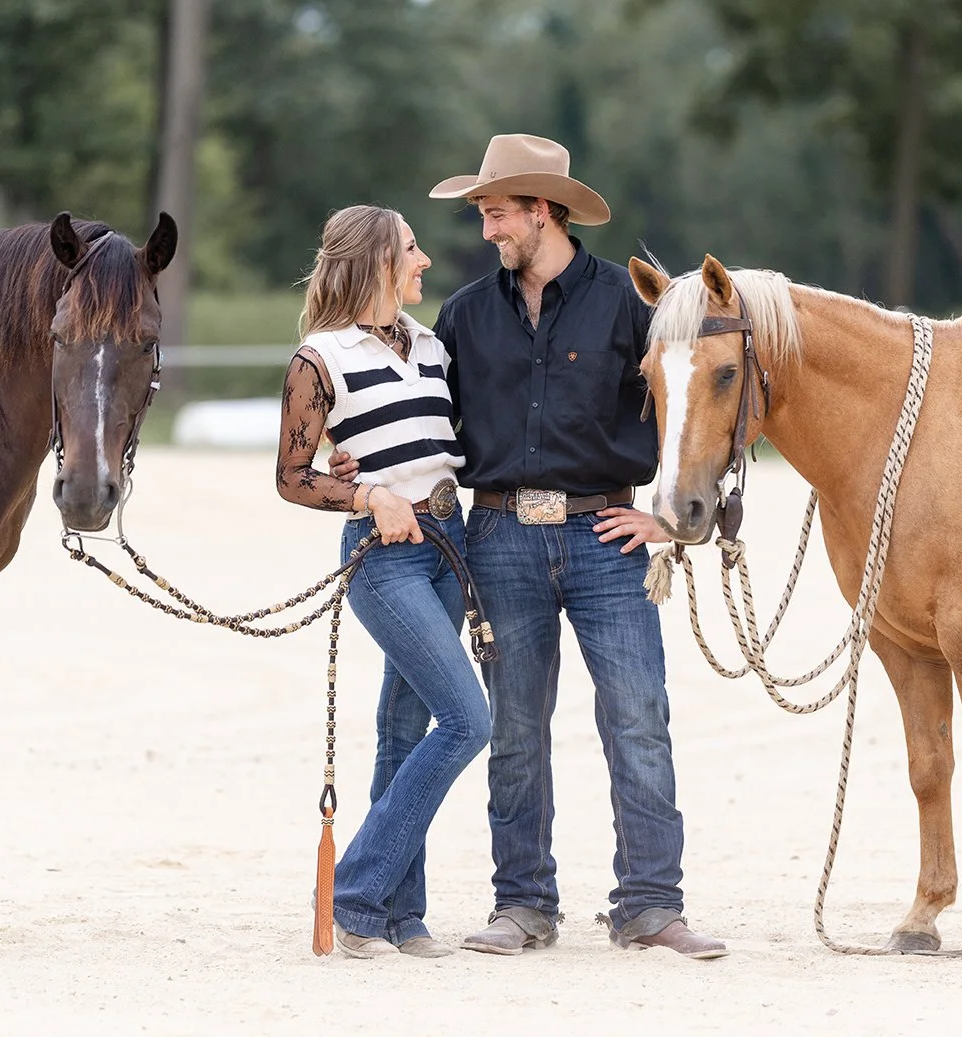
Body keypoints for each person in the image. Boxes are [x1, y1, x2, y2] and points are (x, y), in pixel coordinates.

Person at [333, 134, 728, 959]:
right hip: (498, 535)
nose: (485, 231)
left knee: (638, 720)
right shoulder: (464, 316)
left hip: (607, 535)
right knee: (513, 730)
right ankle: (524, 904)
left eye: (496, 213)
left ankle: (651, 904)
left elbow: (703, 405)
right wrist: (354, 466)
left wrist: (674, 518)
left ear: (543, 210)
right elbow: (414, 420)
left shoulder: (630, 304)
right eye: (482, 213)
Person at [275, 204, 490, 959]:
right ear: (375, 260)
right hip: (384, 555)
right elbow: (292, 477)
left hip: (448, 544)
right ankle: (354, 895)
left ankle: (404, 913)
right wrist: (368, 493)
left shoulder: (429, 344)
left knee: (403, 733)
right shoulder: (318, 358)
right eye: (410, 248)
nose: (424, 259)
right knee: (469, 720)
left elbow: (445, 442)